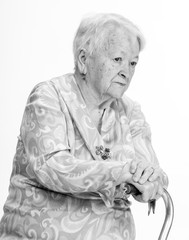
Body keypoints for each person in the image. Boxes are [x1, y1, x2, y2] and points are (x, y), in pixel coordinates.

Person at [0, 13, 168, 240]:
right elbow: (54, 168)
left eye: (133, 63)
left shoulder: (130, 111)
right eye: (117, 59)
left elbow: (153, 172)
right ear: (83, 60)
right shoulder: (49, 97)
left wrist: (151, 181)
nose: (126, 72)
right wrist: (123, 172)